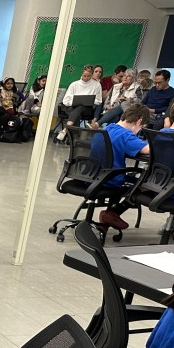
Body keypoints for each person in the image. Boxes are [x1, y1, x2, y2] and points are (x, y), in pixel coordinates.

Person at [90, 103, 151, 232]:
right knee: (146, 184)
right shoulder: (126, 136)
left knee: (125, 176)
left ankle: (109, 216)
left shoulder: (107, 128)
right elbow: (147, 150)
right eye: (142, 126)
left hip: (92, 175)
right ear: (139, 121)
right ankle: (113, 213)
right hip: (111, 180)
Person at [57, 64, 102, 141]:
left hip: (87, 109)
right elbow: (66, 100)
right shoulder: (74, 84)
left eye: (88, 76)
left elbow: (99, 100)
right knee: (77, 111)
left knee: (80, 107)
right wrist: (75, 101)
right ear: (82, 74)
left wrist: (88, 100)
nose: (86, 78)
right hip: (72, 107)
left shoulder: (96, 85)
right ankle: (73, 139)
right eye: (84, 76)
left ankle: (65, 130)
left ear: (91, 75)